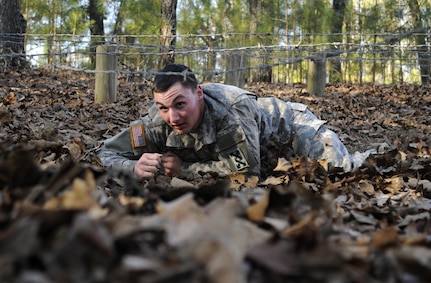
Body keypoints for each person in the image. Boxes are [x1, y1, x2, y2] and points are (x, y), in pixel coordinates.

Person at [96, 64, 374, 181]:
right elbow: (105, 153)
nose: (173, 117)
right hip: (258, 153)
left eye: (180, 105)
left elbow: (247, 172)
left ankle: (373, 153)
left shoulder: (232, 110)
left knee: (342, 170)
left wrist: (185, 170)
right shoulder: (155, 122)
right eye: (163, 108)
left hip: (290, 130)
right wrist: (133, 167)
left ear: (199, 93)